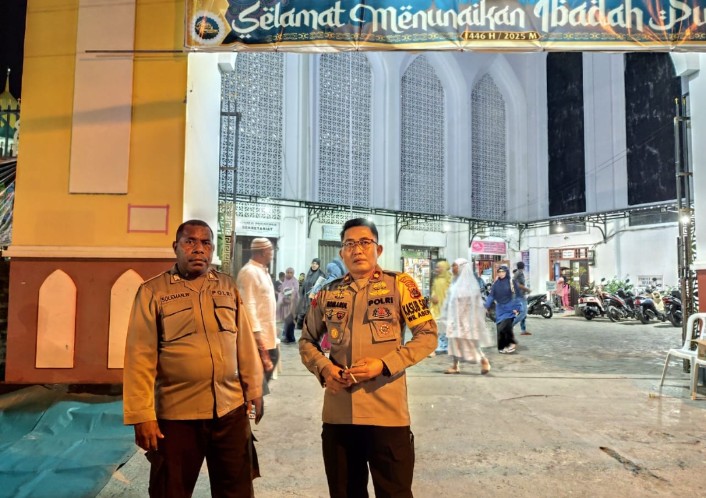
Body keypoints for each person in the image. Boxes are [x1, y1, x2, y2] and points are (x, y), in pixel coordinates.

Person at [123, 220, 264, 498]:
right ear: (175, 247)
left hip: (230, 410)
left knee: (236, 489)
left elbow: (245, 343)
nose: (199, 249)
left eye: (205, 243)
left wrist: (255, 388)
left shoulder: (227, 286)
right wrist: (142, 415)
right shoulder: (153, 292)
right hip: (177, 415)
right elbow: (139, 357)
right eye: (190, 242)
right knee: (171, 490)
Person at [299, 218, 437, 498]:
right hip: (339, 415)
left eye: (364, 242)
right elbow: (306, 341)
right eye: (349, 244)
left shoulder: (399, 285)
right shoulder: (327, 292)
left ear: (378, 249)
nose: (357, 249)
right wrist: (324, 369)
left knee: (394, 492)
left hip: (387, 414)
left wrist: (385, 364)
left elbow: (427, 336)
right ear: (342, 253)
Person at [237, 238, 278, 383]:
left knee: (268, 366)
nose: (272, 253)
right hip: (257, 337)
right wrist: (256, 336)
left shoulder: (262, 271)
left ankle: (257, 396)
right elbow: (248, 304)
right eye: (271, 250)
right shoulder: (249, 272)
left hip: (268, 334)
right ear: (264, 251)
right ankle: (253, 397)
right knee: (257, 376)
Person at [443, 258, 493, 374]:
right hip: (454, 318)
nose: (452, 268)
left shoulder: (469, 284)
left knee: (470, 342)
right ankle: (455, 366)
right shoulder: (454, 283)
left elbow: (473, 304)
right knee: (454, 342)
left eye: (454, 266)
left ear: (461, 267)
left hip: (465, 319)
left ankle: (484, 360)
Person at [310, 257, 347, 352]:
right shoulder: (337, 281)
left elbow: (314, 293)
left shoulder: (324, 280)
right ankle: (327, 345)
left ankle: (325, 345)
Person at [484, 264, 522, 354]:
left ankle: (510, 344)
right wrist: (486, 306)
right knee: (499, 328)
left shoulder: (512, 282)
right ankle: (502, 348)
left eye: (503, 272)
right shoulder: (496, 284)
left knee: (504, 327)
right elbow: (491, 296)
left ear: (506, 272)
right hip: (500, 309)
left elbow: (518, 296)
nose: (501, 273)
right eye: (499, 272)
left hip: (510, 308)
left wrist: (517, 308)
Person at [429, 260, 452, 356]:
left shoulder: (450, 280)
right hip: (436, 307)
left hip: (446, 308)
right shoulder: (436, 280)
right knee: (434, 325)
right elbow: (433, 291)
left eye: (439, 267)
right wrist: (433, 296)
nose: (437, 269)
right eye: (436, 267)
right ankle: (435, 347)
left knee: (445, 327)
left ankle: (443, 346)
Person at [296, 257, 326, 328]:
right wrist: (301, 293)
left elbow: (322, 285)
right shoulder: (309, 273)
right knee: (303, 310)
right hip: (306, 296)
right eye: (313, 263)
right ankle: (301, 325)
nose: (314, 265)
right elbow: (304, 284)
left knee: (313, 311)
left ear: (319, 265)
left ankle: (312, 327)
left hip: (314, 296)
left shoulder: (321, 274)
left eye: (316, 264)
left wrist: (316, 289)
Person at [277, 267, 300, 344]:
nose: (289, 274)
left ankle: (290, 337)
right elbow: (281, 291)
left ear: (293, 273)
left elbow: (295, 291)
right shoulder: (284, 281)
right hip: (285, 304)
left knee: (291, 321)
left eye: (291, 273)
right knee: (287, 320)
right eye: (288, 272)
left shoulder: (295, 281)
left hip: (293, 304)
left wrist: (288, 294)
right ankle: (287, 337)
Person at [514, 261, 531, 336]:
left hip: (520, 295)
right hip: (520, 295)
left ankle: (523, 330)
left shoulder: (518, 273)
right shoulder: (519, 273)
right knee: (523, 313)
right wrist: (527, 289)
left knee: (523, 313)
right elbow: (518, 284)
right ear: (523, 266)